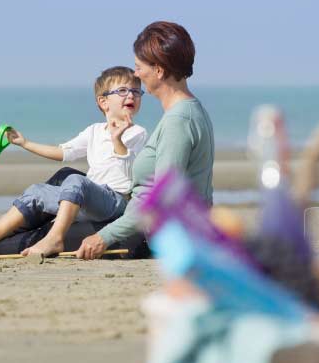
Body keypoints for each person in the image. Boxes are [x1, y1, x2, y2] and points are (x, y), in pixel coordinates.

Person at [0, 66, 148, 258]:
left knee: (76, 179)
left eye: (136, 92)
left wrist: (117, 140)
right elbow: (62, 152)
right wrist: (25, 143)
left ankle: (54, 238)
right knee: (38, 191)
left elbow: (128, 167)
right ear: (103, 102)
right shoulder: (93, 131)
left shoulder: (137, 132)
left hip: (114, 201)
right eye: (122, 91)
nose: (131, 95)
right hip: (87, 200)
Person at [76, 21, 215, 259]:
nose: (136, 74)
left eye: (139, 67)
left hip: (150, 234)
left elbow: (161, 199)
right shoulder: (191, 110)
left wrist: (104, 237)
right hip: (147, 226)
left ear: (159, 71)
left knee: (20, 241)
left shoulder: (179, 121)